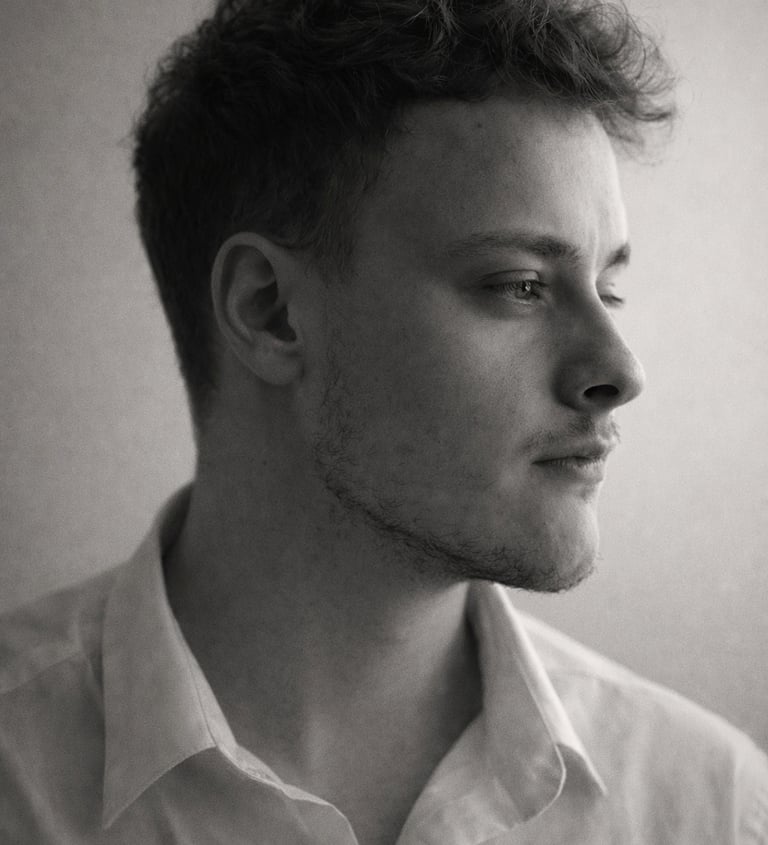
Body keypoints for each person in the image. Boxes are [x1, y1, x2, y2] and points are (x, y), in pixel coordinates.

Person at [1, 0, 766, 841]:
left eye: (608, 289)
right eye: (519, 285)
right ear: (269, 311)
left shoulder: (713, 806)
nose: (620, 371)